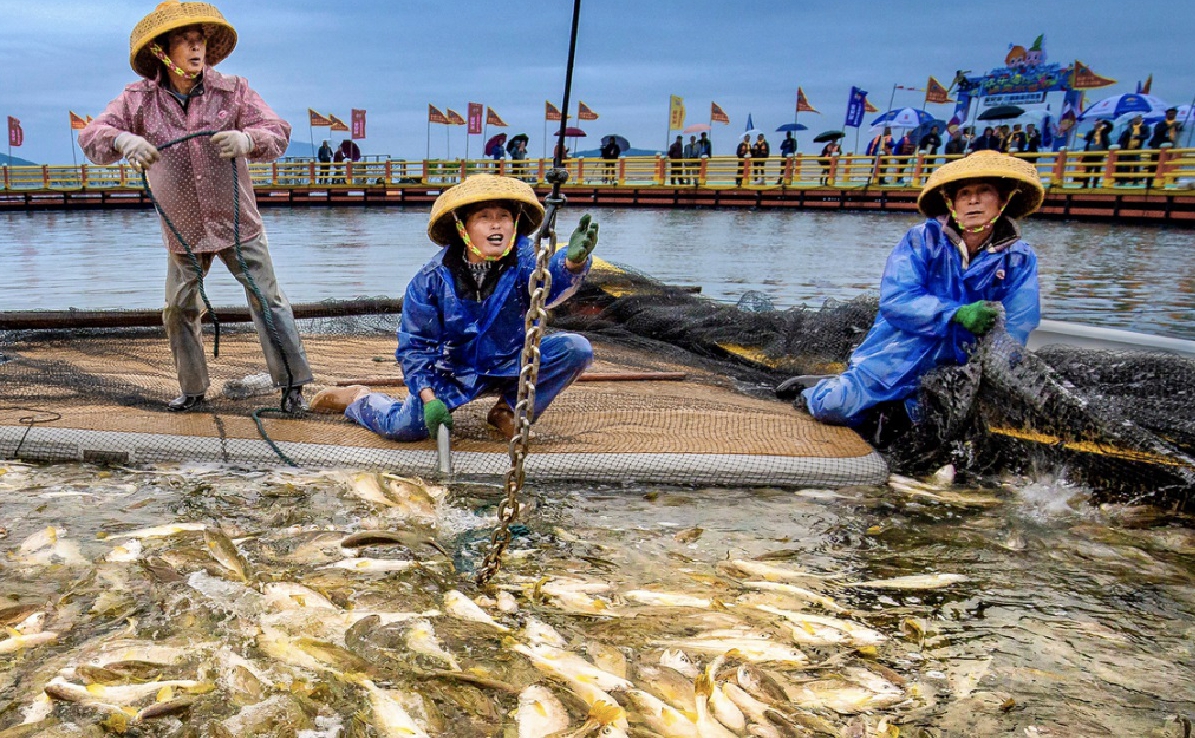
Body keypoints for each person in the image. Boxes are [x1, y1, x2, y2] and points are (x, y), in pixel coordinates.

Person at [80, 1, 313, 413]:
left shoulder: (234, 90)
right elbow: (94, 134)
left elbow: (277, 131)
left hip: (237, 222)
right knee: (178, 308)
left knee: (268, 301)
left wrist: (247, 139)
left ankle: (292, 386)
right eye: (184, 40)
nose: (194, 47)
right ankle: (192, 390)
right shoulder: (138, 99)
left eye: (199, 39)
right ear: (162, 51)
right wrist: (122, 141)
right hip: (182, 228)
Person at [310, 175, 598, 441]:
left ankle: (508, 410)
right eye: (484, 218)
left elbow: (548, 287)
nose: (496, 225)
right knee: (404, 429)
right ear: (463, 228)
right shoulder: (430, 280)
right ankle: (358, 399)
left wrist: (572, 264)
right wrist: (428, 398)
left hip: (511, 361)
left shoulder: (524, 259)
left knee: (576, 349)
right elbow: (415, 347)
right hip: (452, 373)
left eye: (504, 217)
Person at [796, 151, 1043, 440]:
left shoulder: (1020, 256)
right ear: (952, 202)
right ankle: (815, 391)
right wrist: (955, 314)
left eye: (984, 191)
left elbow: (1020, 320)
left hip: (963, 360)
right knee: (836, 407)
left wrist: (1001, 367)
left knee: (933, 429)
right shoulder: (922, 239)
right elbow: (897, 300)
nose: (973, 201)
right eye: (965, 193)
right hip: (901, 349)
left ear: (1003, 199)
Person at [1083, 119, 1113, 188]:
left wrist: (1103, 122)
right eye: (1095, 124)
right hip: (1090, 153)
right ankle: (1085, 184)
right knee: (1088, 169)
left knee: (1097, 169)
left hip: (1099, 153)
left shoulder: (1104, 132)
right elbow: (1087, 139)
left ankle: (1095, 184)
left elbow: (1110, 126)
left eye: (1098, 124)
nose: (1096, 125)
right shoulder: (1091, 132)